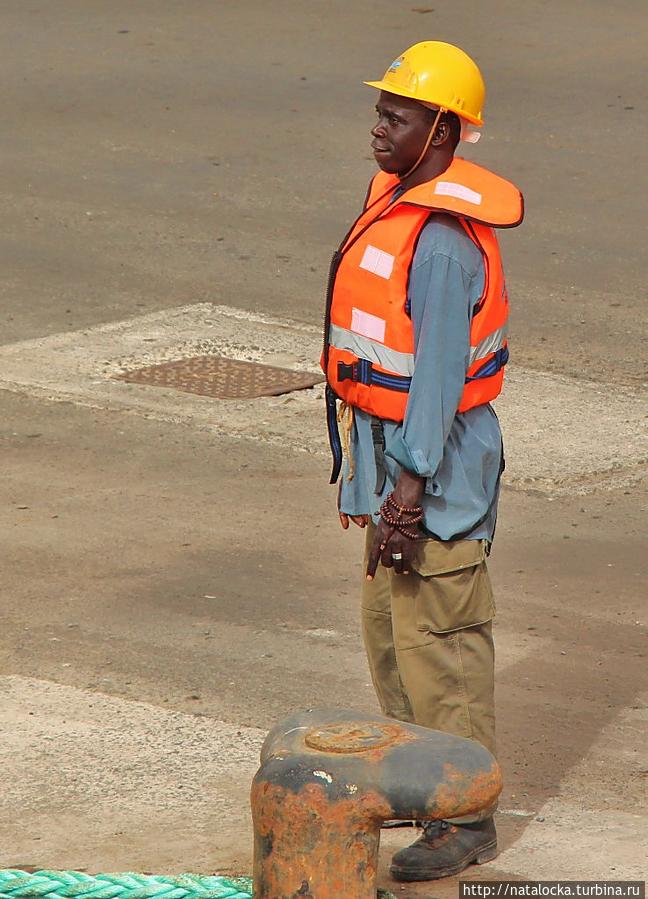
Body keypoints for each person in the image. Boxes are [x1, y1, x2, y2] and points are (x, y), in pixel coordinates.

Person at [322, 41, 524, 881]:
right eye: (380, 109)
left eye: (396, 115)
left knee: (441, 642)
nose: (379, 125)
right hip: (392, 470)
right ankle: (420, 789)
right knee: (390, 639)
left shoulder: (442, 243)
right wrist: (371, 488)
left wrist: (404, 500)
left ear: (441, 129)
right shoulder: (397, 203)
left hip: (432, 477)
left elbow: (437, 384)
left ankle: (465, 813)